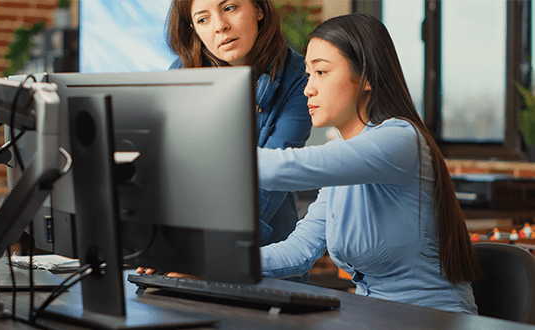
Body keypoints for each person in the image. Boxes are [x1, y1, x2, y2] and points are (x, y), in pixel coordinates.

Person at [256, 13, 481, 313]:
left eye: (321, 72)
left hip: (431, 320)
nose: (307, 89)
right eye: (308, 74)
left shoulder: (399, 140)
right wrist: (216, 265)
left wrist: (213, 159)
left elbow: (288, 168)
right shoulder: (345, 161)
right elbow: (298, 252)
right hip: (373, 317)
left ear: (367, 79)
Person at [167, 0, 312, 246]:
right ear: (194, 29)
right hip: (186, 242)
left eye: (230, 8)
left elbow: (272, 179)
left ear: (258, 9)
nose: (220, 27)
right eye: (203, 19)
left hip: (263, 254)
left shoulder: (297, 77)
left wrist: (210, 254)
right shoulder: (182, 73)